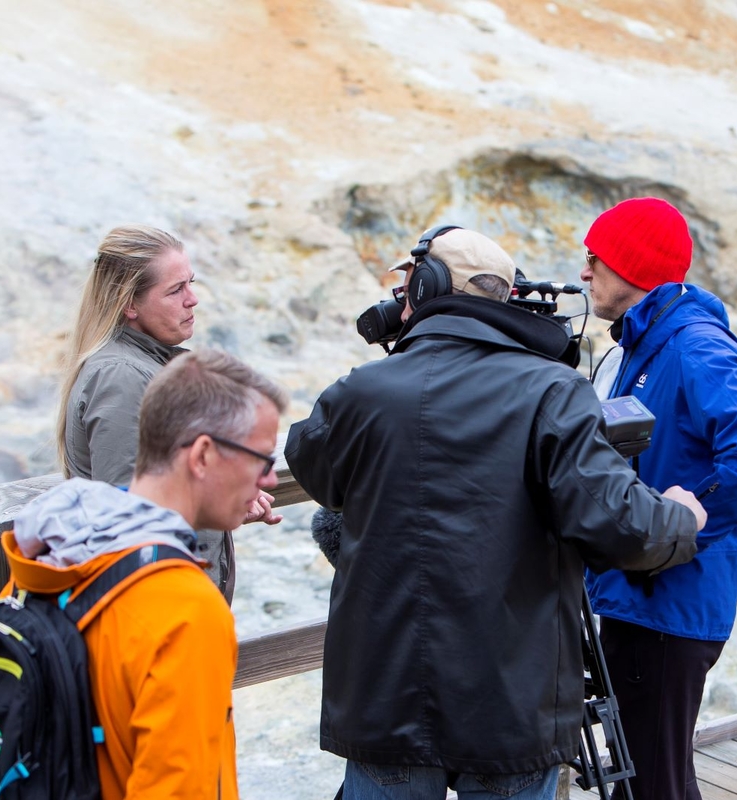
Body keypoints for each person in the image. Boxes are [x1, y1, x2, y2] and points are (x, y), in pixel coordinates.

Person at [285, 225, 708, 800]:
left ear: (432, 291)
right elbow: (626, 529)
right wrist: (682, 516)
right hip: (511, 706)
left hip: (383, 701)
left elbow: (311, 466)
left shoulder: (360, 392)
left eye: (409, 289)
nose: (397, 304)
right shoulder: (553, 392)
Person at [4, 349, 289, 799]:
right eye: (262, 459)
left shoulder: (49, 559)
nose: (270, 480)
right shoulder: (186, 612)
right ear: (203, 455)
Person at [580, 197, 737, 800]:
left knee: (654, 785)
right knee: (647, 780)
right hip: (642, 598)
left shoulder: (693, 346)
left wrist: (694, 511)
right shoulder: (644, 342)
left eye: (597, 258)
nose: (585, 271)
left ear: (634, 266)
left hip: (669, 605)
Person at [55, 225, 279, 599]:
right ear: (129, 303)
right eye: (175, 290)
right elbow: (133, 520)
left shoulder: (149, 366)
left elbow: (167, 488)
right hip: (157, 613)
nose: (192, 300)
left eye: (191, 283)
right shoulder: (122, 378)